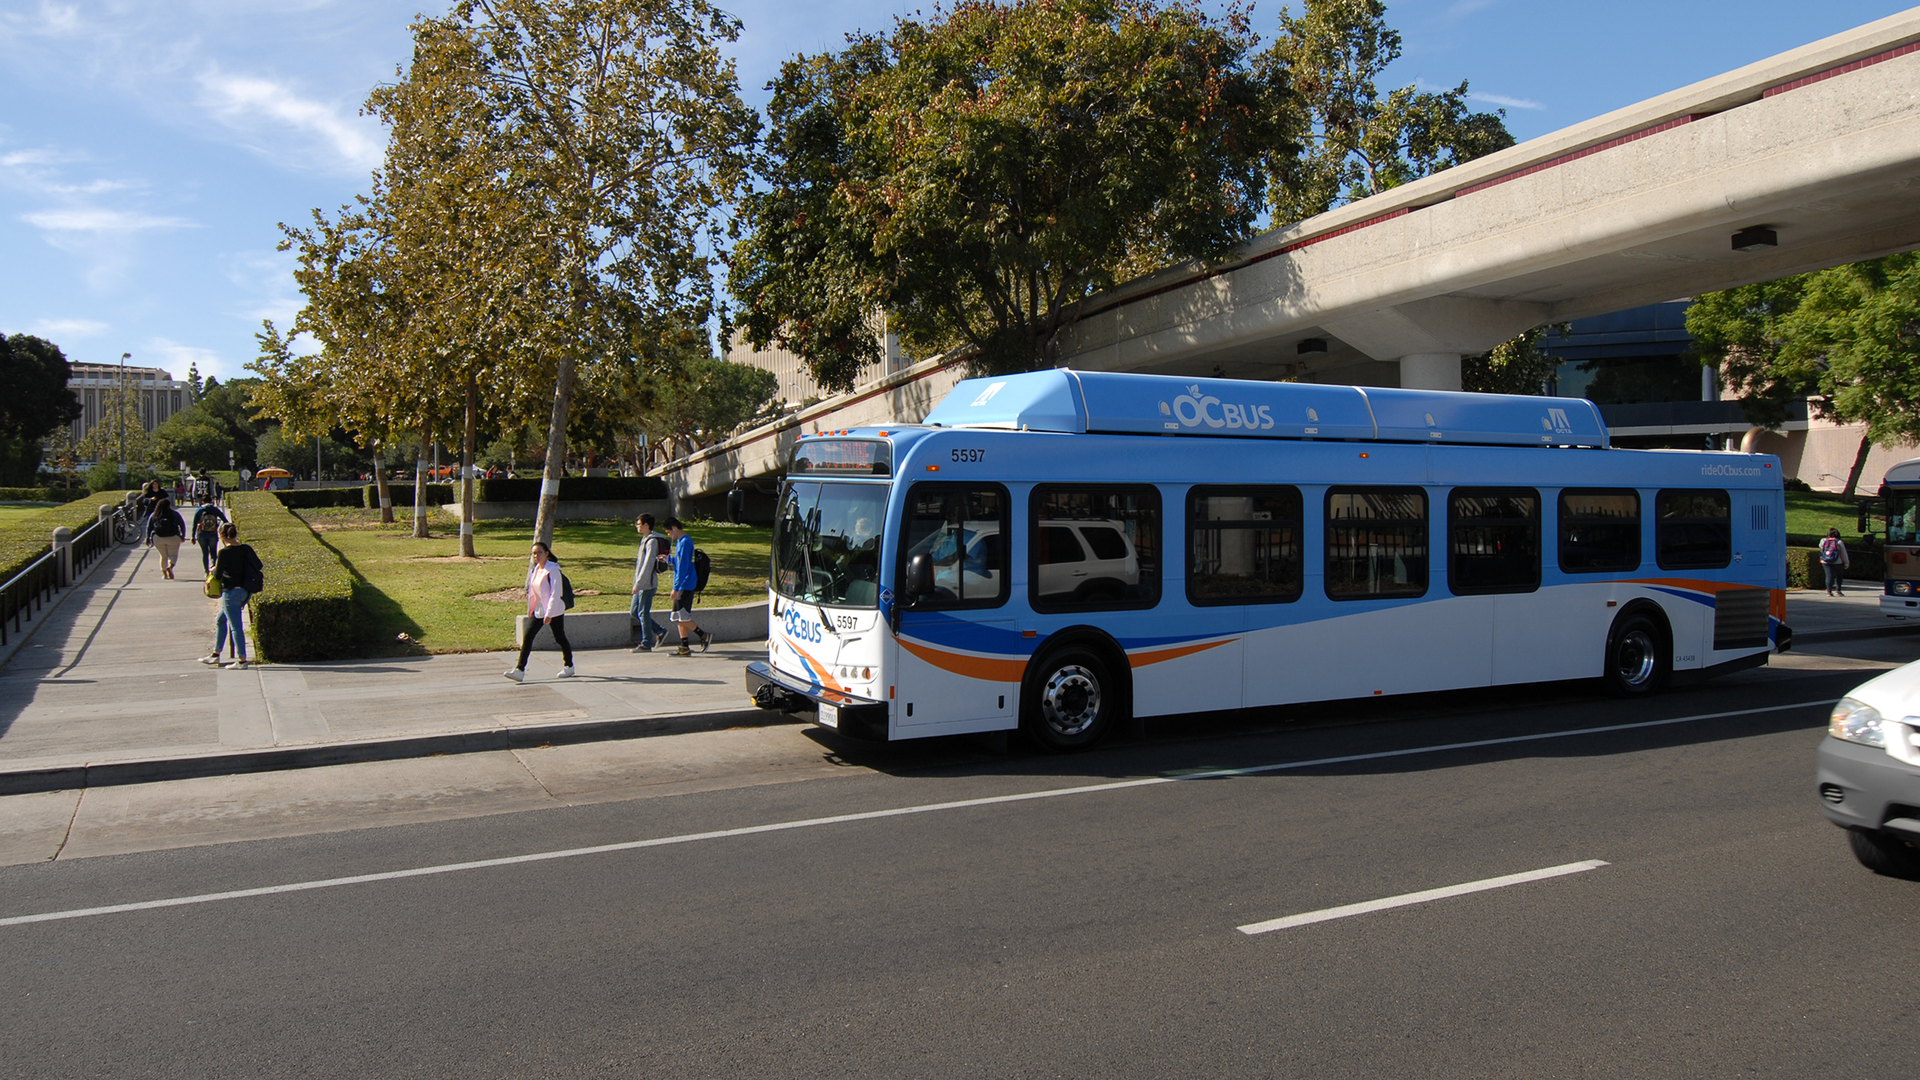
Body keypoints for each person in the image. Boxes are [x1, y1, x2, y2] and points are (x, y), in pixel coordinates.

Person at [505, 540, 574, 681]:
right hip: (538, 611)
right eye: (534, 554)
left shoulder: (553, 570)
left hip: (553, 610)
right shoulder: (536, 570)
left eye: (539, 553)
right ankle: (519, 670)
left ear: (547, 554)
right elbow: (533, 592)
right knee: (528, 638)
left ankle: (569, 666)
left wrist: (549, 614)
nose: (536, 556)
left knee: (560, 638)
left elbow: (556, 593)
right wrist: (531, 609)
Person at [202, 522, 262, 670]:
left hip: (231, 593)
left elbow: (217, 574)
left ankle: (242, 660)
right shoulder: (246, 549)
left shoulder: (224, 553)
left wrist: (215, 567)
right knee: (221, 619)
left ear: (221, 536)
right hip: (244, 591)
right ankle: (216, 653)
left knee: (235, 627)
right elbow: (259, 565)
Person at [664, 517, 711, 656]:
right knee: (680, 616)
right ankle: (684, 646)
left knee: (681, 616)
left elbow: (684, 567)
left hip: (686, 584)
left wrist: (676, 588)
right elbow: (680, 562)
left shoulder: (685, 542)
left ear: (674, 528)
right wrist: (668, 559)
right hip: (685, 583)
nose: (669, 535)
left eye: (668, 532)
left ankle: (703, 635)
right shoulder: (681, 542)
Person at [629, 513, 669, 652]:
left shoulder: (652, 542)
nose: (637, 526)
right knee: (635, 611)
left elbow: (648, 564)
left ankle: (646, 643)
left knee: (643, 612)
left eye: (639, 524)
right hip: (640, 582)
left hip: (647, 583)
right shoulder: (645, 539)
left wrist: (639, 584)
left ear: (646, 525)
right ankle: (660, 631)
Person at [145, 496, 187, 579]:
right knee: (173, 555)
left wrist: (148, 538)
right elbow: (182, 524)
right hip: (173, 536)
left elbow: (149, 527)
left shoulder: (154, 515)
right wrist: (182, 536)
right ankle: (170, 567)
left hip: (158, 537)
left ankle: (164, 574)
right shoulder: (174, 514)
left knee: (163, 556)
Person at [192, 500, 228, 574]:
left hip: (201, 533)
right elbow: (225, 520)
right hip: (213, 533)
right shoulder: (215, 509)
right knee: (213, 552)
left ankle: (206, 571)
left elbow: (194, 523)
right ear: (212, 501)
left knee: (205, 553)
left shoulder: (199, 510)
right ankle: (212, 567)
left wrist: (193, 536)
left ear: (202, 501)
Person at [1820, 527, 1851, 596]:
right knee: (1839, 576)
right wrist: (1846, 562)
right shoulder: (1839, 542)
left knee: (1829, 576)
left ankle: (1829, 591)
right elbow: (1844, 553)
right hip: (1837, 561)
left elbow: (1821, 548)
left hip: (1825, 561)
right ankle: (1838, 590)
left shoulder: (1823, 540)